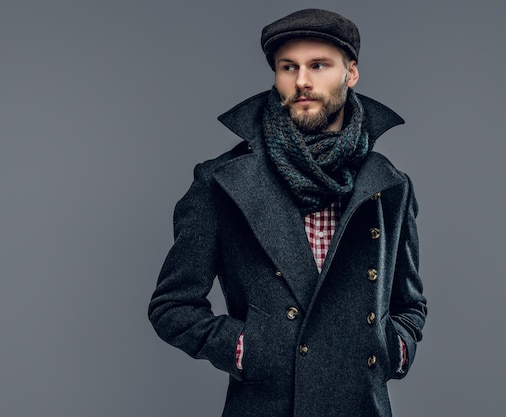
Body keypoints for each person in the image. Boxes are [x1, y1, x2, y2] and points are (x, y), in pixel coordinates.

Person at [148, 8, 427, 417]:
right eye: (288, 67)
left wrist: (393, 349)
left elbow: (410, 304)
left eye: (318, 65)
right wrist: (248, 351)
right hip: (267, 406)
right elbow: (171, 306)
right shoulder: (222, 183)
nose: (302, 81)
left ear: (351, 73)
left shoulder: (388, 186)